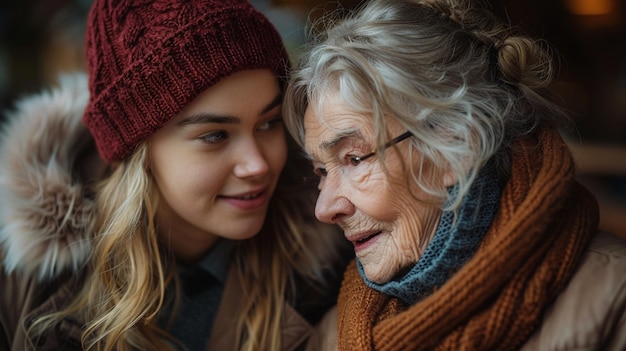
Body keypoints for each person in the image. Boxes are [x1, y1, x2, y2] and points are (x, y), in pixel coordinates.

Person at [0, 1, 351, 350]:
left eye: (269, 123)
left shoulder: (334, 249)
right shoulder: (23, 283)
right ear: (139, 152)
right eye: (215, 135)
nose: (257, 164)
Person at [283, 0, 626, 350]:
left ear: (458, 145)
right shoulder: (334, 334)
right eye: (322, 171)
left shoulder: (613, 300)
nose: (324, 208)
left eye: (354, 159)